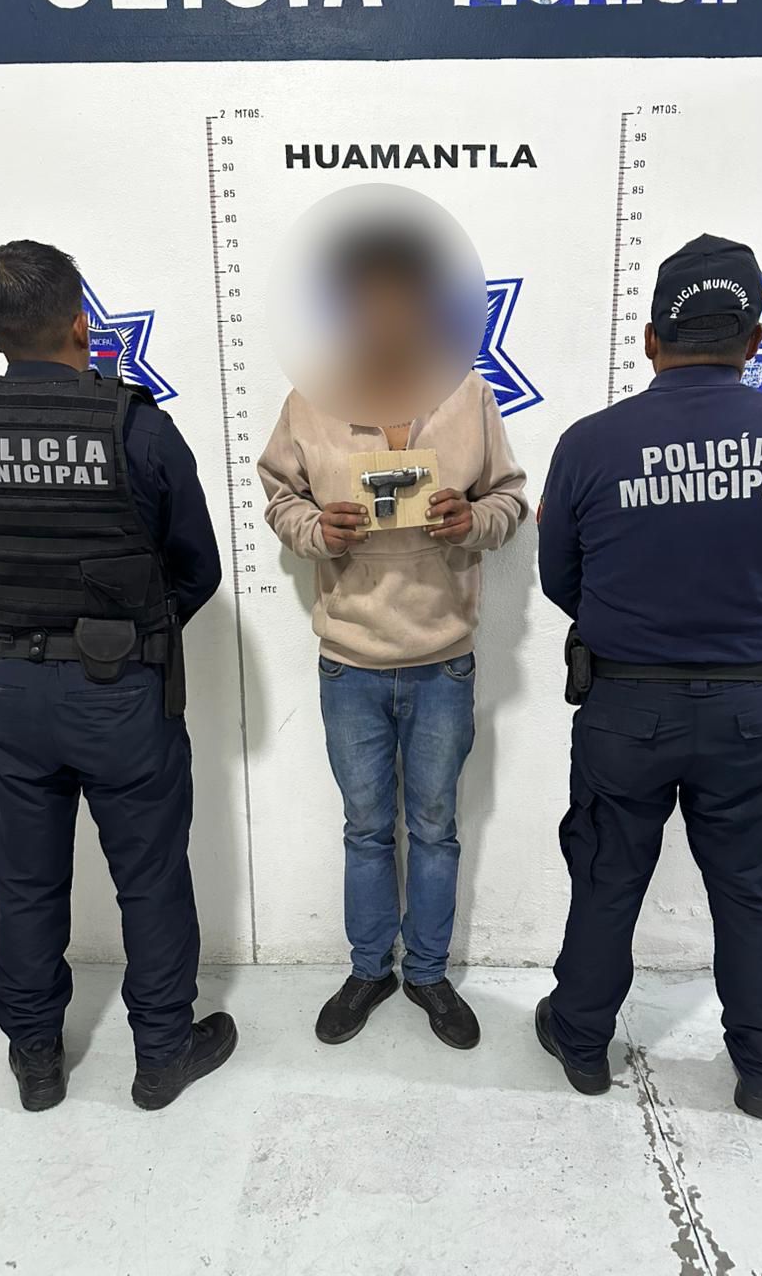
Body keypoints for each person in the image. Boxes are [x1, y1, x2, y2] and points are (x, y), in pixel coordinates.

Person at [535, 234, 762, 1120]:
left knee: (607, 878)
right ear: (755, 341)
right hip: (754, 707)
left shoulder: (590, 444)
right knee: (753, 889)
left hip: (624, 704)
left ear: (650, 340)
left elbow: (562, 582)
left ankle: (582, 1042)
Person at [0, 240, 237, 1112]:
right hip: (120, 693)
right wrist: (125, 634)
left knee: (24, 886)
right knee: (151, 879)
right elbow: (196, 570)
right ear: (79, 323)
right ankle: (162, 1056)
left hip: (9, 690)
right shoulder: (134, 427)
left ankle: (35, 1060)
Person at [259, 230, 527, 1051]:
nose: (385, 313)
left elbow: (511, 500)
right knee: (367, 829)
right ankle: (370, 968)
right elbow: (279, 498)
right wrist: (319, 531)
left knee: (435, 828)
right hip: (350, 663)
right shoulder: (311, 399)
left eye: (400, 296)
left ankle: (429, 975)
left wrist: (470, 519)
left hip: (444, 660)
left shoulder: (468, 395)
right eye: (367, 297)